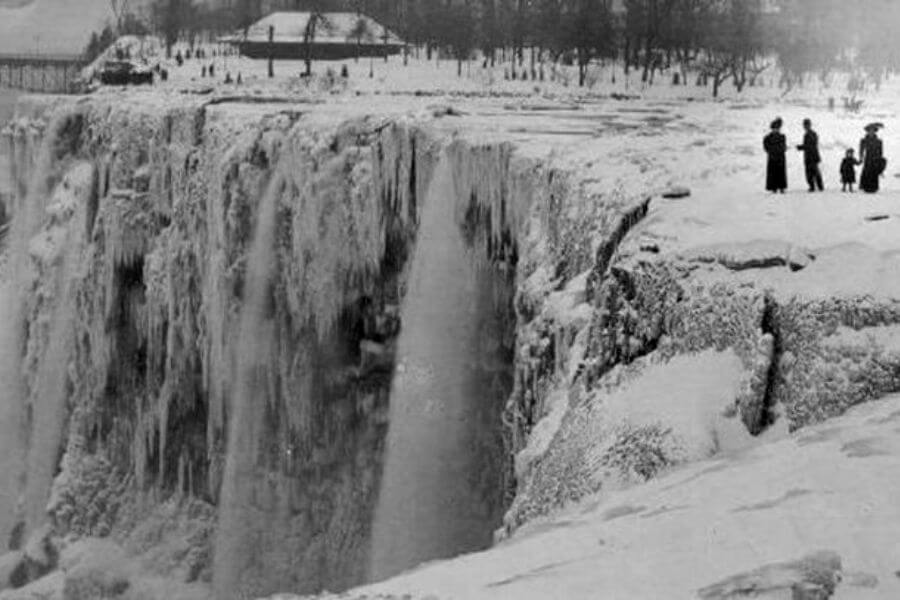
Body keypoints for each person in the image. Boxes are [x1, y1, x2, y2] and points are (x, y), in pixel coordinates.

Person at [797, 118, 823, 191]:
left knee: (811, 172)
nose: (804, 127)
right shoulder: (813, 133)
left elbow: (810, 145)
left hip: (811, 156)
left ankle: (813, 187)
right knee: (815, 172)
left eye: (805, 125)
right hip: (813, 156)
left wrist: (801, 147)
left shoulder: (809, 134)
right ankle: (819, 186)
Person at [859, 123, 886, 193]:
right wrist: (861, 157)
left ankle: (874, 188)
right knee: (867, 172)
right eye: (870, 130)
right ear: (867, 131)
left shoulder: (879, 141)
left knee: (874, 173)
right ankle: (865, 187)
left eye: (873, 130)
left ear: (875, 131)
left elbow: (881, 151)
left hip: (876, 158)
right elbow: (861, 149)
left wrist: (880, 160)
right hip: (868, 158)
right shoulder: (864, 140)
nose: (871, 132)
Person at [764, 118, 787, 193]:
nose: (776, 130)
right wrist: (773, 151)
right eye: (775, 128)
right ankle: (774, 187)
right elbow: (766, 147)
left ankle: (781, 187)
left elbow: (783, 146)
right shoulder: (767, 138)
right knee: (773, 173)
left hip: (779, 157)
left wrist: (781, 149)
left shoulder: (782, 136)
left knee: (781, 173)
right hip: (773, 157)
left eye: (777, 128)